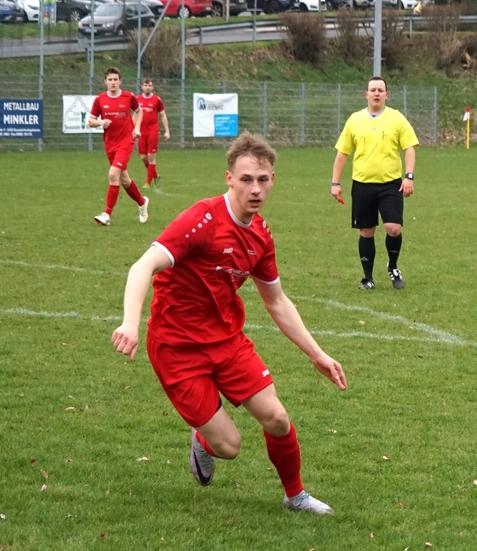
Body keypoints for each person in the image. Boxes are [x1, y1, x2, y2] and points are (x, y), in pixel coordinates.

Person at [110, 133, 347, 515]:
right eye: (247, 179)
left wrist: (317, 354)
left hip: (226, 340)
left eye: (263, 180)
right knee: (229, 446)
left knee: (277, 418)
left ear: (272, 180)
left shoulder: (260, 235)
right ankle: (204, 439)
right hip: (176, 347)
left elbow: (276, 301)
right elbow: (144, 265)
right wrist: (130, 322)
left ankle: (295, 496)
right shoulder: (202, 220)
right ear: (229, 178)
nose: (255, 189)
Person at [331, 76, 418, 290]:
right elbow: (342, 153)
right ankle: (368, 278)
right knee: (366, 231)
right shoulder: (355, 120)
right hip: (362, 185)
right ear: (366, 94)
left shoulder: (396, 118)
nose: (376, 93)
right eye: (373, 90)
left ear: (386, 95)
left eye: (380, 90)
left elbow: (409, 148)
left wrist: (409, 176)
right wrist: (335, 182)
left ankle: (393, 266)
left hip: (391, 184)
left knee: (393, 228)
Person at [88, 66, 149, 226]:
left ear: (120, 81)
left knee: (113, 174)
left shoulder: (128, 96)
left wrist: (136, 128)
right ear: (105, 82)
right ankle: (142, 202)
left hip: (126, 142)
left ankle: (107, 214)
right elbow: (90, 121)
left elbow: (139, 111)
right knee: (124, 179)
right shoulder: (100, 99)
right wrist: (101, 122)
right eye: (110, 80)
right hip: (110, 144)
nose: (113, 82)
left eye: (115, 79)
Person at [137, 78, 170, 188]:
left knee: (151, 156)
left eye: (150, 85)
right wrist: (132, 129)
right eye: (146, 85)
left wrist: (167, 131)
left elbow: (163, 115)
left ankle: (148, 182)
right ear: (142, 87)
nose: (148, 87)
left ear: (152, 87)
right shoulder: (137, 99)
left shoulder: (157, 100)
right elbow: (135, 115)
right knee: (143, 157)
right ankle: (156, 175)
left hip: (153, 131)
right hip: (141, 131)